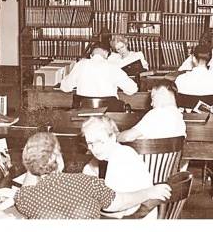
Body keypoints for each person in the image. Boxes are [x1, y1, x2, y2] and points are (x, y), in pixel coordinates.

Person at [14, 132, 171, 219]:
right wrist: (149, 192)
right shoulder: (87, 183)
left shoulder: (24, 198)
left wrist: (34, 161)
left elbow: (27, 186)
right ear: (59, 159)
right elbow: (119, 203)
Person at [81, 116, 154, 217]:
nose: (95, 148)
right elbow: (87, 172)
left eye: (99, 141)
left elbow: (111, 208)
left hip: (136, 218)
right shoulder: (111, 153)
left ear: (113, 137)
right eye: (90, 143)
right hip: (129, 214)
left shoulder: (121, 157)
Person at [60, 42, 138, 98]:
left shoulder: (80, 64)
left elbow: (65, 87)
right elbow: (132, 89)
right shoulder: (112, 67)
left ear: (91, 55)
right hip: (108, 113)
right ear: (106, 53)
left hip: (84, 111)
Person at [117, 81, 186, 143]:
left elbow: (127, 137)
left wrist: (116, 135)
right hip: (170, 157)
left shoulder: (157, 113)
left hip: (147, 156)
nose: (151, 104)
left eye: (153, 98)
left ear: (163, 91)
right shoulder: (179, 117)